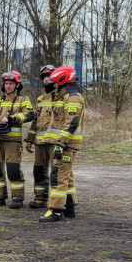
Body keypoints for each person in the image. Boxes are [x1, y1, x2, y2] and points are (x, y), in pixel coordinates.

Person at [37, 65, 84, 222]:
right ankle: (69, 208)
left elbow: (71, 123)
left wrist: (60, 143)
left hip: (66, 145)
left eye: (56, 82)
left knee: (58, 176)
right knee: (67, 176)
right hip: (62, 143)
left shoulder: (72, 97)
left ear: (63, 81)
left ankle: (55, 210)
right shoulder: (63, 96)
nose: (54, 85)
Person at [0, 71, 32, 208]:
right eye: (6, 83)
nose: (8, 86)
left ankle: (17, 198)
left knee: (13, 169)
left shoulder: (23, 99)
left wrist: (11, 119)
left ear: (17, 85)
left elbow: (29, 114)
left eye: (11, 83)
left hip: (12, 140)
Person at [24, 64, 58, 209]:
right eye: (44, 77)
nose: (46, 80)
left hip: (56, 142)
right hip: (40, 142)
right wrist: (29, 139)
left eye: (49, 76)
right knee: (38, 171)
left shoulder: (62, 97)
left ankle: (58, 202)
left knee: (57, 173)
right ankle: (40, 199)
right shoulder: (40, 99)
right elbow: (36, 120)